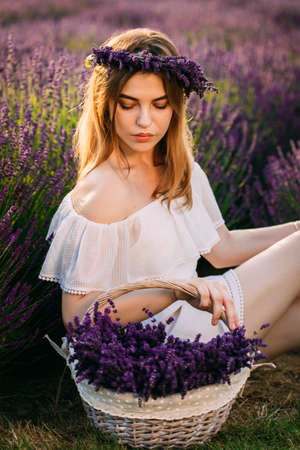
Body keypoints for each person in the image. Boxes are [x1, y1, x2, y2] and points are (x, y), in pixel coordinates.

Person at [38, 28, 300, 361]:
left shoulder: (179, 167)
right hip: (155, 347)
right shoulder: (103, 191)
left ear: (175, 107)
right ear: (106, 106)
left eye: (159, 105)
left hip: (200, 324)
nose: (144, 121)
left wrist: (295, 227)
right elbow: (78, 321)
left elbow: (223, 249)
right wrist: (174, 289)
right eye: (129, 105)